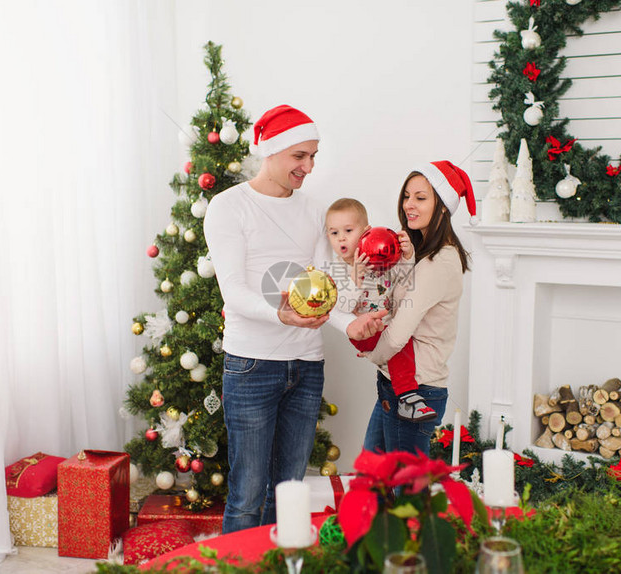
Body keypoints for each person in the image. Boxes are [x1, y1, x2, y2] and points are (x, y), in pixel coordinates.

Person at [203, 104, 386, 534]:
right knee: (247, 493)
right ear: (272, 150)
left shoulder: (312, 210)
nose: (309, 166)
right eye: (299, 156)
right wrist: (282, 315)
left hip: (306, 368)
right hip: (251, 366)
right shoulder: (229, 207)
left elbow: (327, 291)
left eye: (313, 156)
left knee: (288, 492)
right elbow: (234, 292)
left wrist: (349, 325)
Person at [360, 160, 474, 456]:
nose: (409, 204)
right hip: (395, 386)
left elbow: (398, 334)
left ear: (443, 207)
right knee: (374, 482)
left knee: (406, 496)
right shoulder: (423, 254)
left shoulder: (439, 262)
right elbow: (399, 302)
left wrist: (371, 351)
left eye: (421, 198)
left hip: (416, 392)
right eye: (407, 196)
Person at [324, 198, 437, 422]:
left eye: (348, 230)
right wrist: (355, 278)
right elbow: (343, 309)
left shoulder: (380, 258)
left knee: (403, 340)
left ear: (366, 232)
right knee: (399, 347)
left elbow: (403, 279)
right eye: (334, 233)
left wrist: (407, 256)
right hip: (363, 331)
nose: (341, 238)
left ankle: (401, 392)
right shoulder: (337, 269)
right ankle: (408, 397)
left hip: (385, 325)